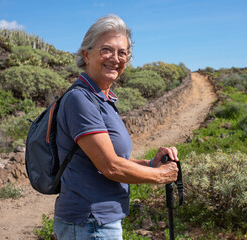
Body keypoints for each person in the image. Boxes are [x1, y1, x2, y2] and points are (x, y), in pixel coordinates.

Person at [53, 14, 179, 239]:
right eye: (106, 50)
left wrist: (151, 164)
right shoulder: (81, 99)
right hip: (89, 223)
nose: (115, 58)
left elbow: (109, 158)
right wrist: (160, 176)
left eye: (122, 53)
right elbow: (110, 166)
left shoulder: (103, 98)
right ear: (86, 54)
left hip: (98, 222)